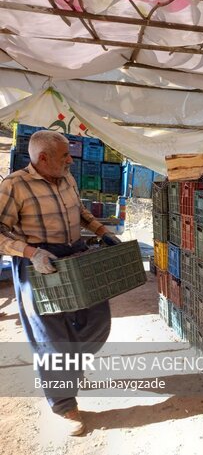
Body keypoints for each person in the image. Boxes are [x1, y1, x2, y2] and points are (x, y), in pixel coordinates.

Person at [0, 130, 121, 436]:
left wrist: (102, 231)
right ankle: (64, 404)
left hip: (76, 256)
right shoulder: (14, 185)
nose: (71, 159)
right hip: (39, 263)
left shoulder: (66, 177)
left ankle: (70, 367)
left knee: (98, 320)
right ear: (43, 158)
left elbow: (78, 211)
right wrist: (31, 252)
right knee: (51, 338)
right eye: (65, 155)